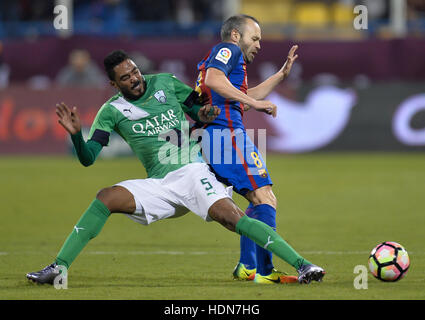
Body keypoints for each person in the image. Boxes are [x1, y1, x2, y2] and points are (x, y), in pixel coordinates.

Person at [26, 50, 321, 285]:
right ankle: (58, 268)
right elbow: (89, 157)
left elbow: (198, 110)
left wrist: (205, 112)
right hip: (159, 184)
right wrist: (77, 135)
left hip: (192, 170)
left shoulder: (166, 82)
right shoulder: (111, 111)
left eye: (135, 72)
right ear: (114, 84)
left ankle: (302, 265)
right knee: (106, 197)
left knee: (231, 219)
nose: (135, 79)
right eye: (126, 78)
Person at [195, 14, 325, 284]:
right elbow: (214, 80)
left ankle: (248, 266)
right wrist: (254, 106)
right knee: (265, 198)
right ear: (235, 35)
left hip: (218, 136)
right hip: (226, 135)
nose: (258, 44)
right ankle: (264, 272)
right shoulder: (226, 49)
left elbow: (239, 96)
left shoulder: (232, 61)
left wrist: (281, 75)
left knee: (259, 201)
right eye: (254, 38)